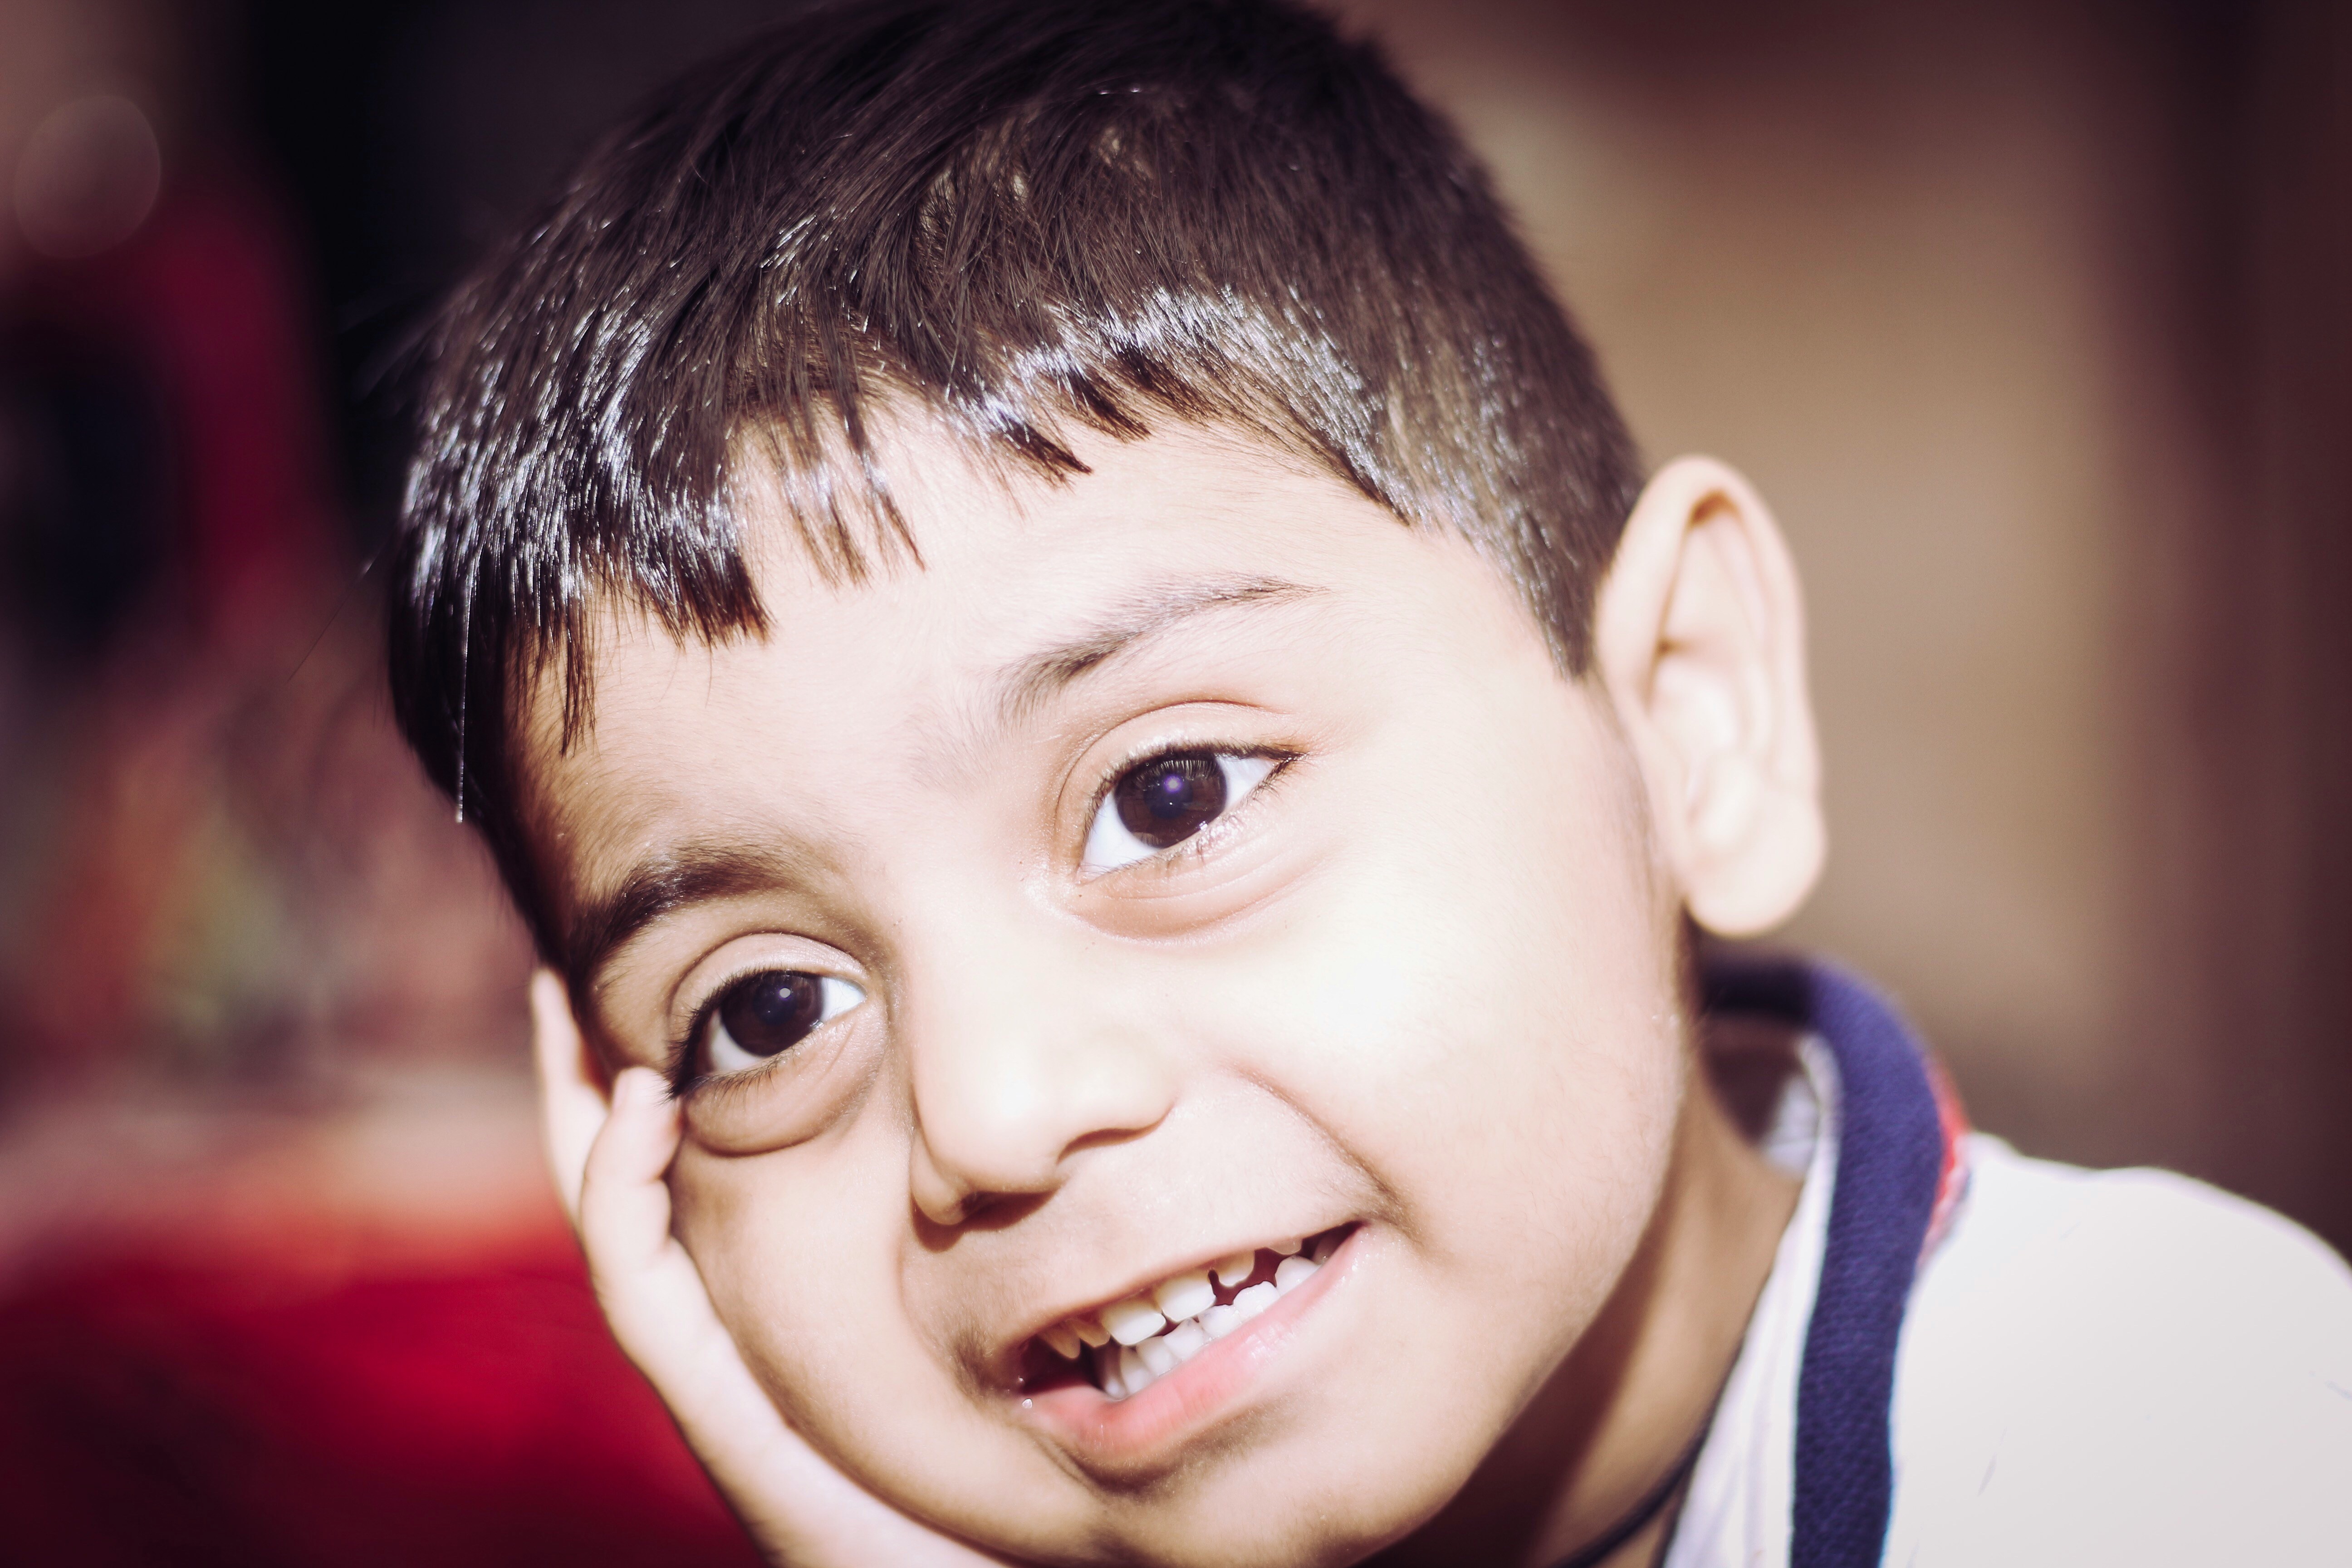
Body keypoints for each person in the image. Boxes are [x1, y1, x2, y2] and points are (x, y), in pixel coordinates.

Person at [381, 2, 2352, 1563]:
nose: (992, 1112)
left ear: (1688, 716)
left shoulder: (2179, 1437)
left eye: (1170, 799)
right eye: (766, 1010)